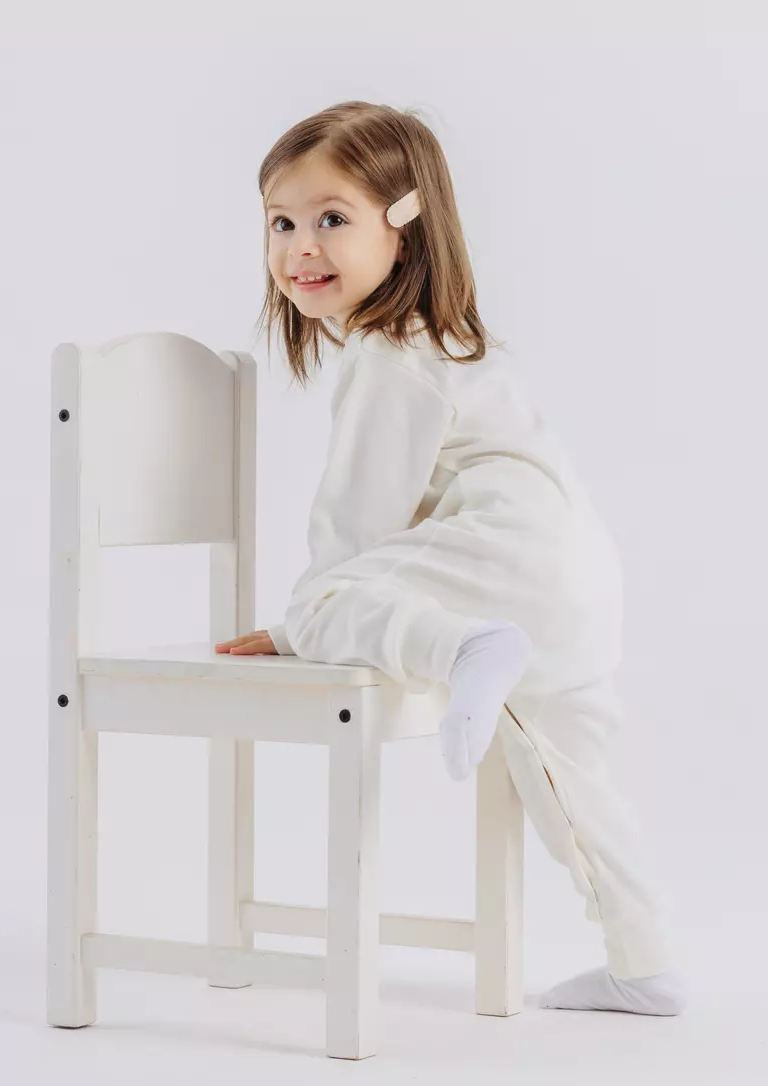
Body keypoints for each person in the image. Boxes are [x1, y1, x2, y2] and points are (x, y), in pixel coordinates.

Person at [214, 101, 687, 1017]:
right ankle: (645, 962)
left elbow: (354, 532)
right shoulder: (450, 343)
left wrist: (306, 624)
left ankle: (463, 645)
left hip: (505, 562)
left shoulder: (389, 357)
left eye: (331, 219)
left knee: (319, 602)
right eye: (280, 223)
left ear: (405, 223)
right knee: (573, 772)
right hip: (571, 571)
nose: (300, 249)